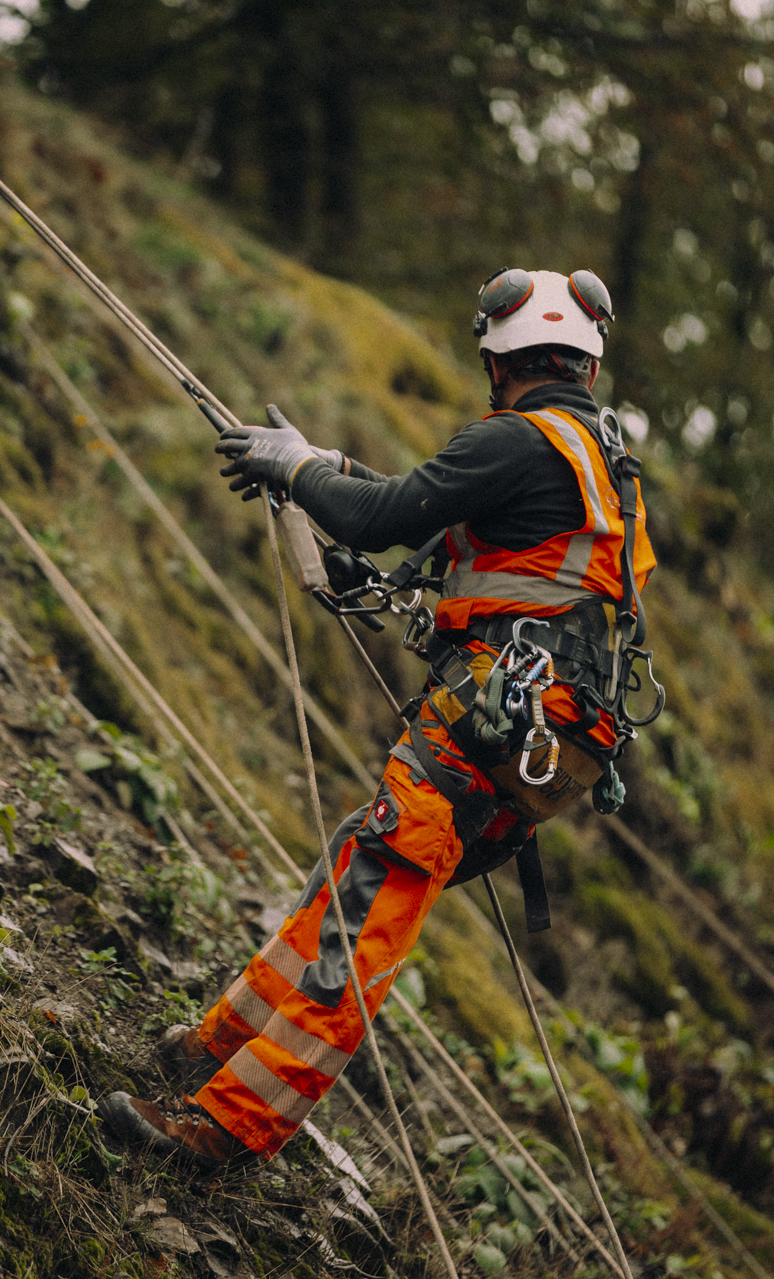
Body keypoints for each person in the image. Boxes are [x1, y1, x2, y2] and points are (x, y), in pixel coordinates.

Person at [98, 267, 656, 1168]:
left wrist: (301, 468)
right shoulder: (599, 458)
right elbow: (459, 537)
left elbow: (390, 516)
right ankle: (214, 1043)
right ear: (584, 362)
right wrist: (321, 468)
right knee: (357, 869)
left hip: (493, 728)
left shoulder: (517, 438)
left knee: (370, 909)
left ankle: (231, 1125)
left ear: (499, 360)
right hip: (549, 743)